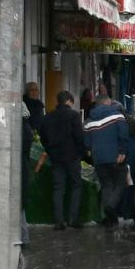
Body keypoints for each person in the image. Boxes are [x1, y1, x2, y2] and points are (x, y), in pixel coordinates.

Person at [84, 88, 135, 227]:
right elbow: (123, 135)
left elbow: (86, 143)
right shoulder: (117, 116)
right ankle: (110, 206)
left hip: (98, 159)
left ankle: (109, 216)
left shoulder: (88, 121)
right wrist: (122, 152)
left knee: (106, 185)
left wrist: (92, 153)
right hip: (115, 157)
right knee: (120, 183)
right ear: (107, 103)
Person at [39, 90, 87, 229]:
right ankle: (73, 218)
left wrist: (50, 150)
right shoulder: (74, 115)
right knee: (76, 185)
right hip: (72, 156)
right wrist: (81, 152)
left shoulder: (48, 117)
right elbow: (79, 136)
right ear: (69, 101)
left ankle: (59, 221)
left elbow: (43, 137)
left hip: (56, 157)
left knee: (58, 188)